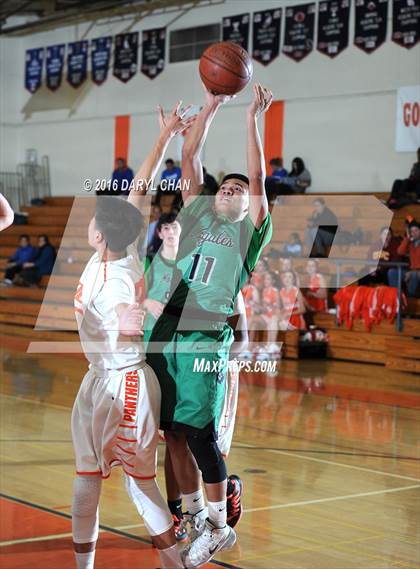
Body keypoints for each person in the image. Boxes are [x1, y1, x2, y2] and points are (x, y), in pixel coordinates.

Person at [145, 83, 273, 568]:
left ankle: (219, 527)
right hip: (173, 333)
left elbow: (258, 179)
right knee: (174, 434)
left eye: (238, 190)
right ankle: (197, 518)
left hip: (205, 334)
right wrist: (215, 102)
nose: (231, 189)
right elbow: (192, 152)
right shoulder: (198, 216)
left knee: (200, 435)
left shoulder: (248, 234)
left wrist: (250, 120)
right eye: (227, 185)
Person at [71, 101, 193, 569]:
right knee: (90, 477)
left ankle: (175, 563)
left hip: (123, 383)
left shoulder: (116, 277)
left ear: (100, 234)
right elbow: (138, 191)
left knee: (131, 483)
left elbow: (128, 314)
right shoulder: (120, 252)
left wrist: (131, 317)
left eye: (92, 220)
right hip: (105, 379)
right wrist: (162, 138)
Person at [141, 211, 247, 540]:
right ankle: (179, 513)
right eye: (167, 229)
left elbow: (241, 334)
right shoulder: (153, 267)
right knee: (172, 438)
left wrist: (215, 363)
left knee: (201, 443)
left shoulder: (214, 272)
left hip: (207, 367)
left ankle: (224, 492)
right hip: (166, 362)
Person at [388, 221, 420, 297]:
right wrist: (407, 238)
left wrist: (412, 272)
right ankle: (398, 297)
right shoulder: (411, 243)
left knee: (414, 275)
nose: (414, 233)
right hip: (411, 271)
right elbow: (399, 252)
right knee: (392, 272)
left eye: (416, 230)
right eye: (412, 231)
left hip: (417, 272)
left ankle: (410, 296)